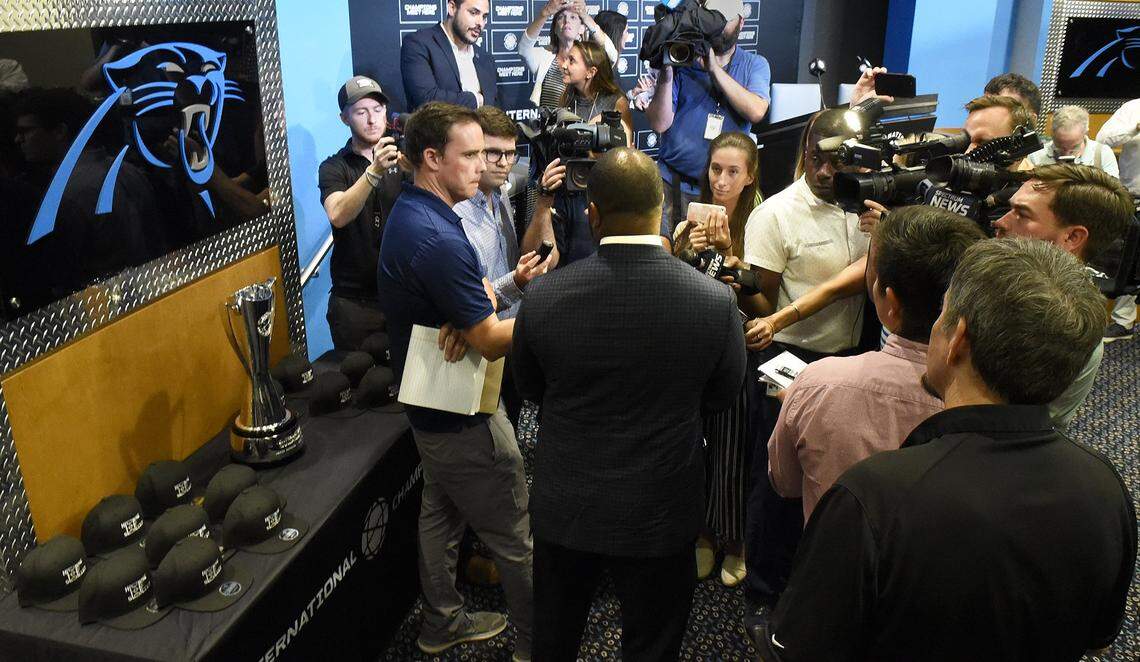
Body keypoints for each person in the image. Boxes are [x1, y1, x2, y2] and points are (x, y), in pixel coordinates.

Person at [754, 238, 1137, 662]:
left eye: (942, 315)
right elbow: (1098, 638)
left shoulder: (874, 495)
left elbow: (801, 647)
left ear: (956, 339)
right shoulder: (1106, 488)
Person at [512, 147, 746, 661]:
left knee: (553, 641)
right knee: (653, 647)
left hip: (566, 508)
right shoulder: (714, 301)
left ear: (592, 214)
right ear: (661, 209)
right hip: (663, 511)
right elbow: (723, 395)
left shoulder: (545, 298)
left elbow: (530, 388)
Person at [376, 102, 532, 661]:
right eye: (469, 156)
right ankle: (536, 648)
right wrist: (555, 310)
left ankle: (441, 623)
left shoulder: (417, 212)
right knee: (515, 538)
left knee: (440, 514)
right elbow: (490, 338)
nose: (483, 166)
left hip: (432, 408)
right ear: (432, 159)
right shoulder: (438, 235)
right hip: (463, 416)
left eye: (486, 154)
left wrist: (477, 306)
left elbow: (471, 307)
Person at [744, 93, 1033, 354]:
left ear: (1015, 146)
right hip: (810, 352)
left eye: (982, 142)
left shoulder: (1019, 215)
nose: (970, 150)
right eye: (968, 138)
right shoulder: (778, 212)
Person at [767, 206, 985, 525]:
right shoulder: (996, 406)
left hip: (834, 559)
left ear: (890, 303)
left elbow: (784, 483)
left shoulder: (817, 384)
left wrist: (804, 406)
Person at [738, 107, 870, 618]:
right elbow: (762, 306)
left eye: (835, 162)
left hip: (853, 357)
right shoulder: (775, 214)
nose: (823, 172)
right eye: (815, 158)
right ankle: (764, 590)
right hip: (787, 356)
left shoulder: (869, 207)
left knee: (838, 477)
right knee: (776, 479)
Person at [670, 131, 759, 586]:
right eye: (715, 169)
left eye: (732, 172)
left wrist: (730, 258)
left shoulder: (759, 220)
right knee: (694, 446)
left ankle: (736, 541)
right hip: (693, 351)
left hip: (739, 352)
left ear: (749, 176)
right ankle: (704, 533)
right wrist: (683, 247)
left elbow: (766, 304)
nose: (721, 180)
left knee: (733, 450)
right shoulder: (688, 221)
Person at [992, 164, 1133, 427]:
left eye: (1022, 214)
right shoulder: (1005, 284)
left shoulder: (1062, 328)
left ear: (1072, 237)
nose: (1000, 222)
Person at [646, 0, 771, 240]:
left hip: (723, 192)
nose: (720, 26)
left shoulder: (754, 64)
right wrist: (667, 71)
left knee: (711, 263)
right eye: (714, 17)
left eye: (726, 19)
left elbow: (756, 110)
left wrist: (713, 69)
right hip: (672, 184)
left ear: (741, 22)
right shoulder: (684, 60)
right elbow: (660, 123)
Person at [318, 76, 403, 351]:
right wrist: (374, 171)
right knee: (360, 387)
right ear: (344, 118)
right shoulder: (333, 167)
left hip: (402, 294)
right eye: (361, 112)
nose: (372, 120)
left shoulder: (403, 159)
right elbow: (338, 214)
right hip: (354, 304)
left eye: (378, 110)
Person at [543, 40, 634, 267]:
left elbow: (625, 151)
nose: (563, 64)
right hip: (565, 191)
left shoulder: (616, 102)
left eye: (572, 60)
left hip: (598, 194)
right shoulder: (566, 97)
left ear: (591, 72)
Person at [517, 0, 618, 109]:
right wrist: (545, 13)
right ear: (555, 29)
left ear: (581, 28)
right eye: (561, 17)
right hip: (548, 125)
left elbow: (612, 55)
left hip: (581, 124)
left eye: (573, 17)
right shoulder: (545, 57)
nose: (566, 21)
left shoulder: (589, 57)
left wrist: (586, 16)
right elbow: (523, 50)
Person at [401, 0, 499, 110]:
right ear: (452, 8)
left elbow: (494, 110)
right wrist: (476, 100)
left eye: (484, 16)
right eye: (473, 13)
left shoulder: (486, 58)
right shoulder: (418, 44)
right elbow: (426, 100)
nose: (480, 23)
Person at [1096, 98, 1140, 340]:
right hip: (1132, 196)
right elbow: (1103, 140)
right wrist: (1134, 127)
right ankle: (1123, 323)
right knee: (1124, 259)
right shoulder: (1133, 108)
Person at [1028, 104, 1118, 176]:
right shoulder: (1036, 156)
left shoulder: (1102, 154)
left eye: (1075, 147)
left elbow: (1115, 194)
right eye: (1059, 146)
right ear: (1052, 133)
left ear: (1085, 133)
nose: (1066, 154)